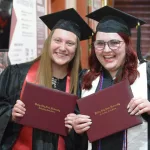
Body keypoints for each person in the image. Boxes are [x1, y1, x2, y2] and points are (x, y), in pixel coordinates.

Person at [0, 8, 93, 150]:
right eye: (57, 40)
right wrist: (10, 114)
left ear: (76, 50)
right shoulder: (17, 74)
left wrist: (75, 128)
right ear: (48, 43)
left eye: (70, 43)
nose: (62, 48)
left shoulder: (83, 83)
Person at [73, 6, 150, 150]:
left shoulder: (146, 73)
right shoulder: (85, 79)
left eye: (115, 43)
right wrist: (77, 128)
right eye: (100, 44)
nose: (107, 50)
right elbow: (77, 126)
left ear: (127, 45)